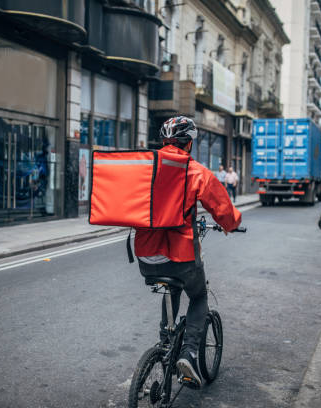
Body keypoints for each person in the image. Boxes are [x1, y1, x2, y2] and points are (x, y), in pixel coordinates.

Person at [134, 116, 241, 385]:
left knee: (170, 288)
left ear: (164, 142)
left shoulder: (145, 167)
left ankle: (165, 342)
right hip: (180, 255)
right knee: (198, 295)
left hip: (146, 256)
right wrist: (231, 224)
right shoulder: (195, 171)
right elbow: (223, 209)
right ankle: (190, 353)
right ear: (189, 143)